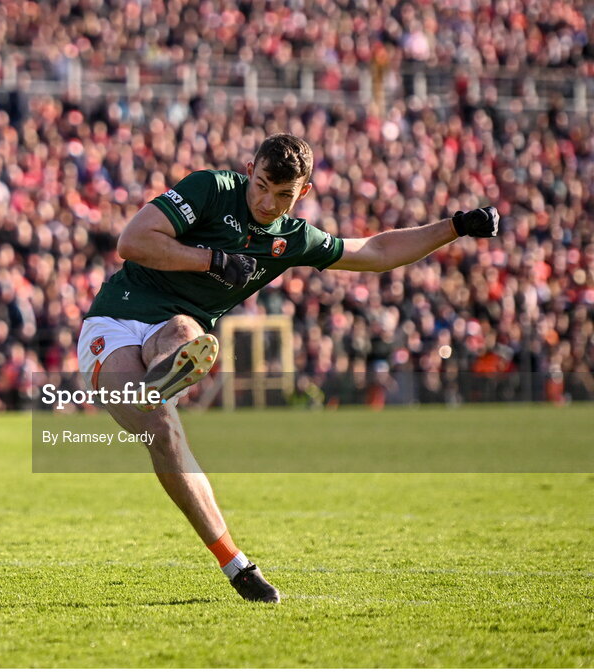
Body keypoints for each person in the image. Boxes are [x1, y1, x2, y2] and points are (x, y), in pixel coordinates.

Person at [76, 133, 499, 603]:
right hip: (114, 320)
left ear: (304, 193)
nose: (266, 201)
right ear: (249, 168)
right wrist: (212, 260)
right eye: (260, 186)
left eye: (283, 195)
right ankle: (159, 388)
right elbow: (131, 241)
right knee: (162, 395)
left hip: (174, 327)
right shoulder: (212, 188)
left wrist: (456, 226)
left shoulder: (292, 240)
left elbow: (376, 253)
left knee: (179, 362)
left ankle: (234, 562)